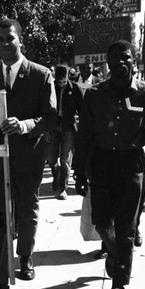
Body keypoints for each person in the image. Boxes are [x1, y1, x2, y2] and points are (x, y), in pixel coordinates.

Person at [73, 40, 145, 289]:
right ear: (107, 64)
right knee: (101, 222)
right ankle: (115, 253)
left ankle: (119, 283)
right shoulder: (94, 94)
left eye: (125, 58)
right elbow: (84, 136)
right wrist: (78, 171)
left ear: (134, 60)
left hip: (131, 164)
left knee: (125, 228)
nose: (120, 63)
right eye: (114, 59)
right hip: (102, 163)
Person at [0, 18, 56, 289]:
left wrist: (24, 125)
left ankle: (25, 255)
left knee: (27, 211)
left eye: (9, 38)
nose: (3, 44)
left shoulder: (40, 75)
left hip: (27, 159)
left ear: (20, 40)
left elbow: (50, 118)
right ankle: (1, 283)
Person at [47, 64, 83, 200]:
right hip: (53, 126)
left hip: (68, 126)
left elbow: (82, 109)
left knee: (65, 159)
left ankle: (63, 188)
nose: (61, 83)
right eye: (59, 80)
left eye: (64, 80)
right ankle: (56, 175)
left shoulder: (75, 88)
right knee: (51, 159)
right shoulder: (50, 87)